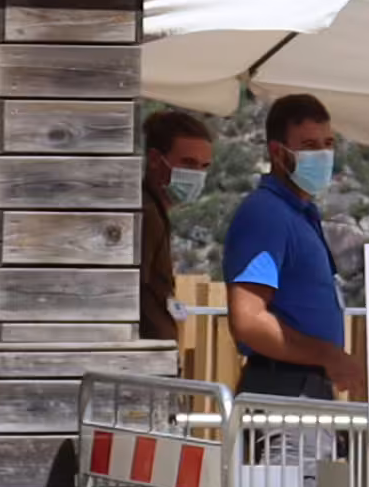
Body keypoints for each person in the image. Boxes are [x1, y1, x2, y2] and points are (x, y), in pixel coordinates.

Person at [221, 91, 357, 402]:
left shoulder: (301, 215)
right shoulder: (267, 214)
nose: (323, 155)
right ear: (278, 153)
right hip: (282, 392)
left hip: (306, 390)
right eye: (309, 146)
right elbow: (249, 320)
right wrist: (329, 355)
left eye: (328, 144)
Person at [136, 106, 217, 345]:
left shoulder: (155, 212)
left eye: (204, 167)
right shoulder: (145, 214)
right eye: (188, 163)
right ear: (154, 160)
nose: (197, 175)